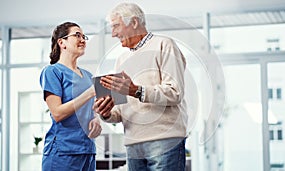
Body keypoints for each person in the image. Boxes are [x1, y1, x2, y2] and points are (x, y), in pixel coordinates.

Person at [93, 2, 188, 171]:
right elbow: (122, 111)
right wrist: (107, 113)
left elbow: (175, 92)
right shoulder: (121, 60)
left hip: (165, 141)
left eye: (116, 26)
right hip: (133, 144)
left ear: (134, 22)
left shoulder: (164, 45)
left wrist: (135, 90)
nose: (113, 34)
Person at [39, 21, 113, 171]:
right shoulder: (52, 72)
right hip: (63, 153)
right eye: (77, 35)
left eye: (84, 36)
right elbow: (57, 113)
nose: (83, 39)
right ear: (62, 42)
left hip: (88, 151)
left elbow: (92, 110)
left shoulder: (88, 76)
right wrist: (90, 92)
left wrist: (97, 121)